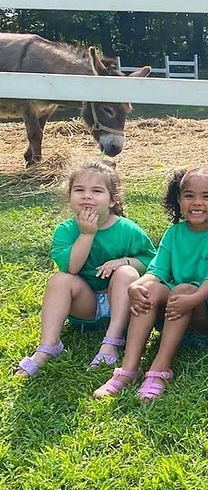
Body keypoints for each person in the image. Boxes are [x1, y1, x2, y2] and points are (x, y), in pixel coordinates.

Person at [94, 168, 208, 401]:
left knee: (183, 289)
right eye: (189, 195)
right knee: (149, 289)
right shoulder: (174, 233)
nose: (197, 202)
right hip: (177, 303)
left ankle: (160, 369)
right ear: (178, 199)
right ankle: (128, 369)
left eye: (206, 196)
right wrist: (137, 285)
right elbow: (156, 271)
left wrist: (192, 299)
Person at [15, 160, 155, 377]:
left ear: (112, 200)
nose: (87, 196)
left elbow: (150, 261)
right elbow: (72, 268)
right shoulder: (66, 230)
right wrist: (87, 234)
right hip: (85, 305)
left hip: (120, 302)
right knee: (59, 279)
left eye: (97, 191)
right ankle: (49, 346)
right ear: (69, 197)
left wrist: (124, 262)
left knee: (127, 273)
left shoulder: (128, 230)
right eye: (79, 190)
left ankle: (112, 341)